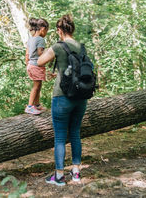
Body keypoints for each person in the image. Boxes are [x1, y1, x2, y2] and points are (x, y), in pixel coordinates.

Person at [38, 14, 87, 186]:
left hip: (62, 96)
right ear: (72, 29)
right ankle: (76, 172)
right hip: (81, 96)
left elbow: (40, 62)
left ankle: (59, 176)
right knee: (75, 134)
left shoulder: (58, 46)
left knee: (60, 137)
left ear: (59, 30)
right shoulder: (81, 47)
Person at [25, 17, 49, 115]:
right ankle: (30, 106)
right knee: (36, 86)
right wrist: (48, 52)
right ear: (43, 28)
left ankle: (37, 105)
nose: (46, 33)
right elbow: (40, 53)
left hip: (31, 65)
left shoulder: (31, 39)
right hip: (36, 66)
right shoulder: (40, 39)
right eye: (46, 31)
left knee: (38, 85)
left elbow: (27, 54)